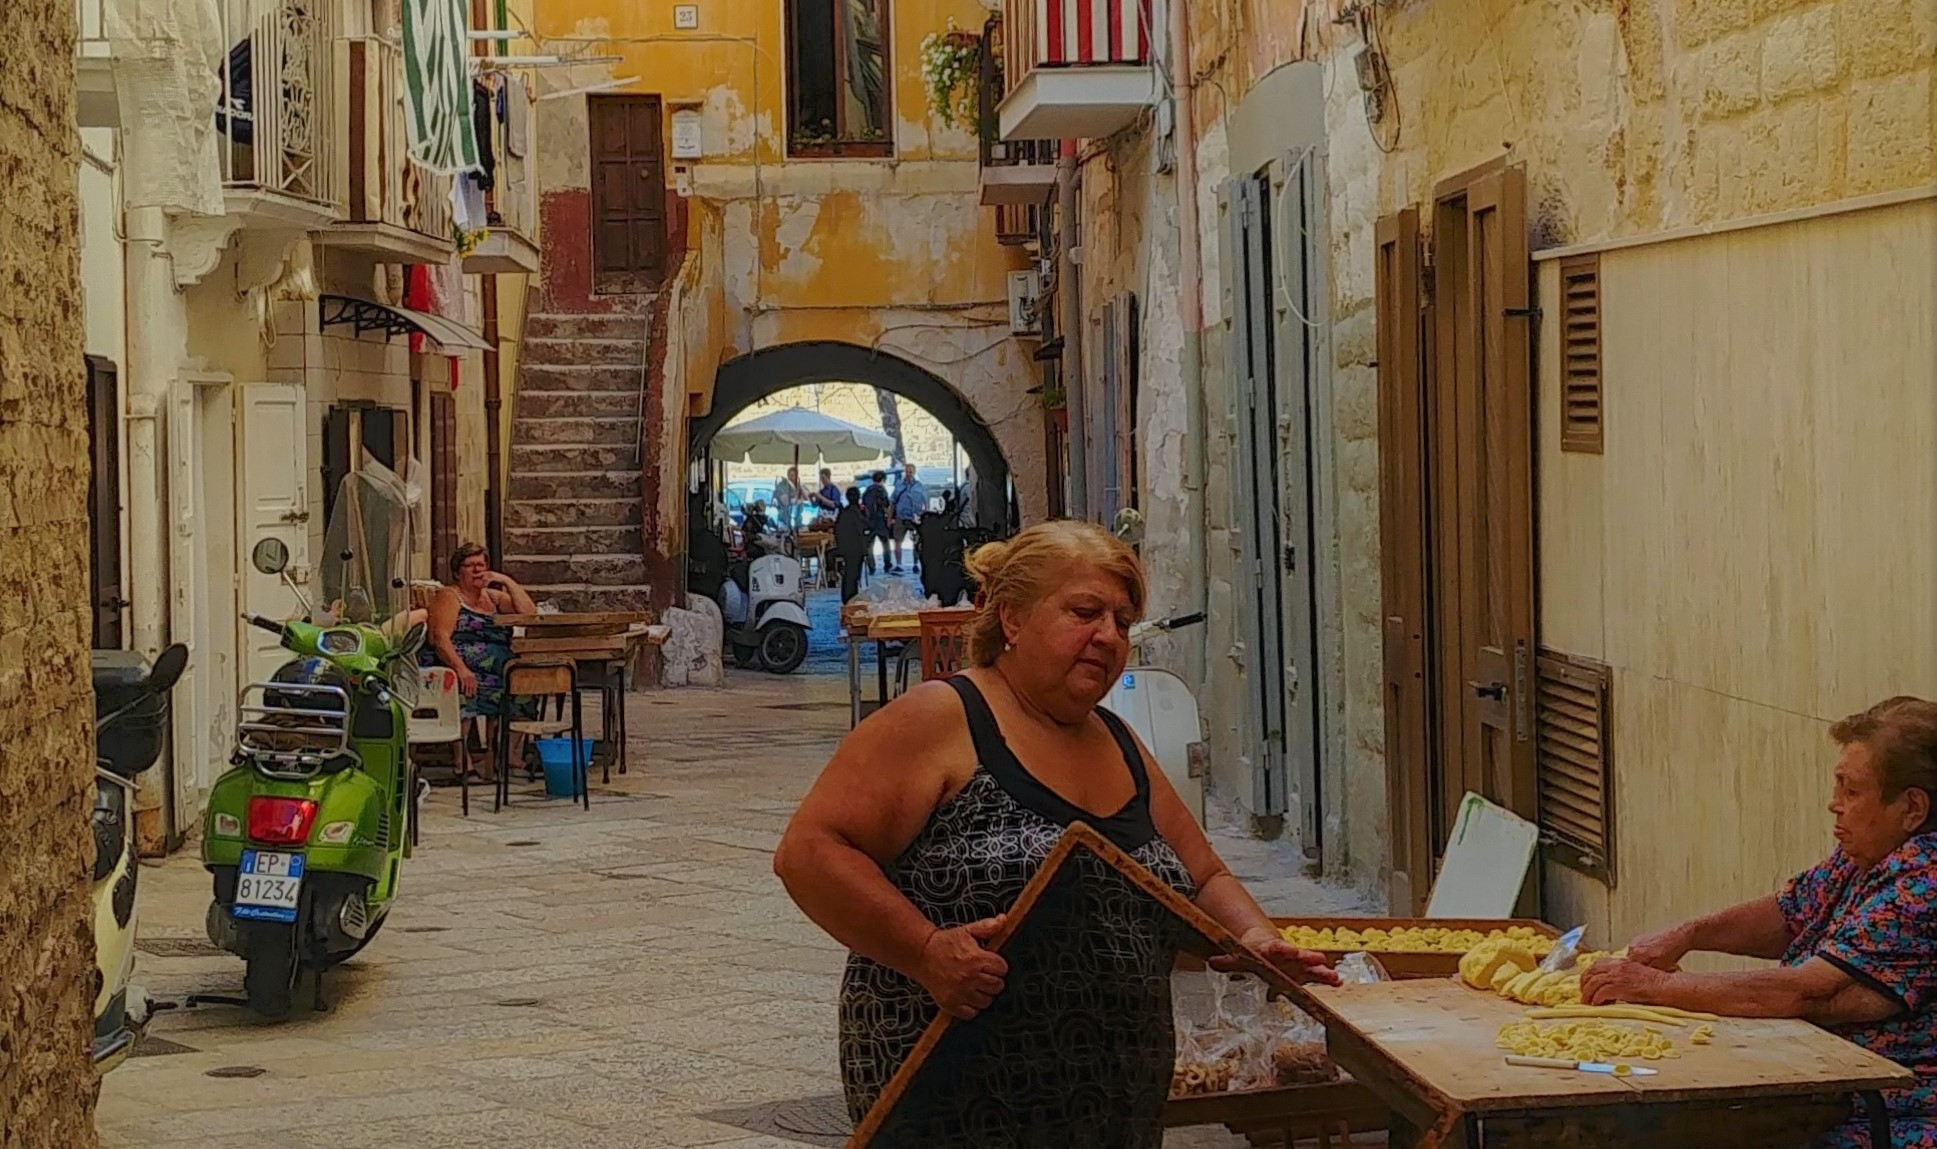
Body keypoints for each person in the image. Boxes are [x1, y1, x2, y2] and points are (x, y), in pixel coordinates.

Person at [773, 521, 1338, 1144]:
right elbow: (810, 853)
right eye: (1085, 612)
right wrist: (926, 951)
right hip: (957, 1089)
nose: (1108, 636)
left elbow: (1201, 874)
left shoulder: (1119, 743)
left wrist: (1255, 937)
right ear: (1012, 619)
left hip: (1111, 1100)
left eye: (1122, 622)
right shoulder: (944, 718)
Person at [1581, 696, 1936, 1149]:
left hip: (1886, 1112)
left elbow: (1800, 991)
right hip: (1825, 1090)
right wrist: (1689, 934)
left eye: (1851, 791)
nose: (1834, 806)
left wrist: (1653, 986)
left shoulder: (1922, 885)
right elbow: (1789, 913)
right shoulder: (1868, 855)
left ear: (1912, 808)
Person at [426, 543, 538, 783]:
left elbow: (529, 615)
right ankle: (461, 761)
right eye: (470, 566)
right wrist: (462, 669)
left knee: (526, 685)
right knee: (464, 689)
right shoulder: (450, 595)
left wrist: (506, 581)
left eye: (481, 565)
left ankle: (506, 753)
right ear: (458, 572)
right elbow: (441, 638)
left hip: (500, 668)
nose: (477, 571)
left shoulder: (494, 597)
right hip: (462, 666)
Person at [833, 486, 869, 603]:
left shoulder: (844, 512)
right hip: (856, 549)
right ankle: (851, 599)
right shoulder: (857, 512)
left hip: (845, 548)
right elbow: (866, 526)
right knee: (853, 576)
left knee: (848, 575)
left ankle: (848, 599)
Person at [891, 463, 927, 574]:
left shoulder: (919, 486)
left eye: (910, 472)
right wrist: (890, 517)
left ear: (914, 472)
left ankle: (915, 564)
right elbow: (892, 501)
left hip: (914, 517)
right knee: (898, 541)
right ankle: (899, 564)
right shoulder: (899, 485)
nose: (908, 474)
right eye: (907, 471)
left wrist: (924, 515)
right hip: (901, 517)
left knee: (916, 541)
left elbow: (925, 502)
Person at [862, 470, 893, 573]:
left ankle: (872, 567)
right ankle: (887, 565)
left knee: (870, 546)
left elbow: (864, 504)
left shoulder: (867, 491)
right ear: (883, 480)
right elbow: (886, 505)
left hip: (870, 521)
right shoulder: (882, 490)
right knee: (885, 544)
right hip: (880, 520)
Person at [772, 467, 800, 533]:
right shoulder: (783, 485)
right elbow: (784, 500)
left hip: (795, 518)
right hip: (783, 518)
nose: (790, 477)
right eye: (789, 475)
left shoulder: (799, 486)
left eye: (793, 476)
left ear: (797, 476)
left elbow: (806, 497)